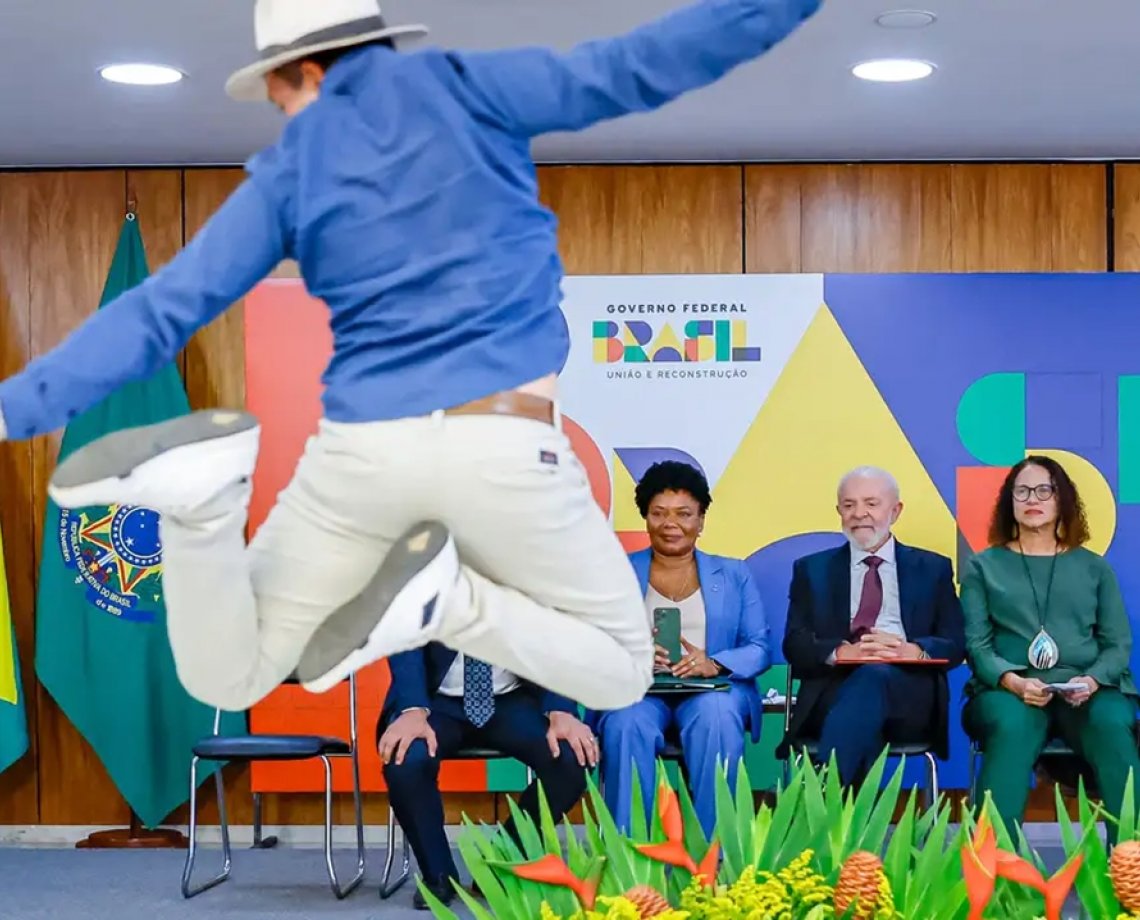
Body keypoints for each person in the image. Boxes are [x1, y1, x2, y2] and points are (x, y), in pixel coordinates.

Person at [0, 0, 826, 712]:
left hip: (362, 454)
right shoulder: (475, 88)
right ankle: (449, 602)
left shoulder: (292, 167)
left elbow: (163, 308)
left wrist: (16, 405)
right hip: (503, 443)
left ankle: (204, 505)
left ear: (302, 75)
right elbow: (651, 62)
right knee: (616, 671)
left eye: (278, 96)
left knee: (230, 675)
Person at [961, 455, 1140, 835]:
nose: (1032, 498)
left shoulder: (1094, 568)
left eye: (1045, 489)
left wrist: (1091, 681)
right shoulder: (983, 567)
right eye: (1022, 490)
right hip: (1008, 690)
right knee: (1012, 726)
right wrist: (1014, 682)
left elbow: (1116, 643)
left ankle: (1132, 868)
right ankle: (993, 875)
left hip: (1087, 689)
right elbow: (977, 647)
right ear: (1009, 501)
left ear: (1063, 500)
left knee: (1110, 723)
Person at [595, 461, 768, 837]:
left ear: (701, 520)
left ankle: (714, 855)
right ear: (646, 518)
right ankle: (630, 858)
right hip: (639, 690)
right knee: (626, 722)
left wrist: (714, 663)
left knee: (717, 716)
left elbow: (758, 648)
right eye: (659, 513)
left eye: (684, 514)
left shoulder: (734, 574)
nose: (670, 523)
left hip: (713, 690)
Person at [778, 466, 965, 786]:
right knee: (866, 685)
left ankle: (828, 807)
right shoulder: (813, 569)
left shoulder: (932, 568)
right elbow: (794, 644)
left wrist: (914, 651)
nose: (859, 514)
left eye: (871, 504)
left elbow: (956, 643)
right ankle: (844, 819)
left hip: (910, 697)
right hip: (831, 694)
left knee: (874, 676)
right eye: (848, 505)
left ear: (896, 510)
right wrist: (841, 652)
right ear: (838, 511)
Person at [378, 642, 593, 909]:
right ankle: (438, 875)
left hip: (511, 698)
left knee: (571, 757)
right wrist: (412, 708)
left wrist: (560, 709)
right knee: (406, 759)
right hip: (435, 701)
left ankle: (501, 860)